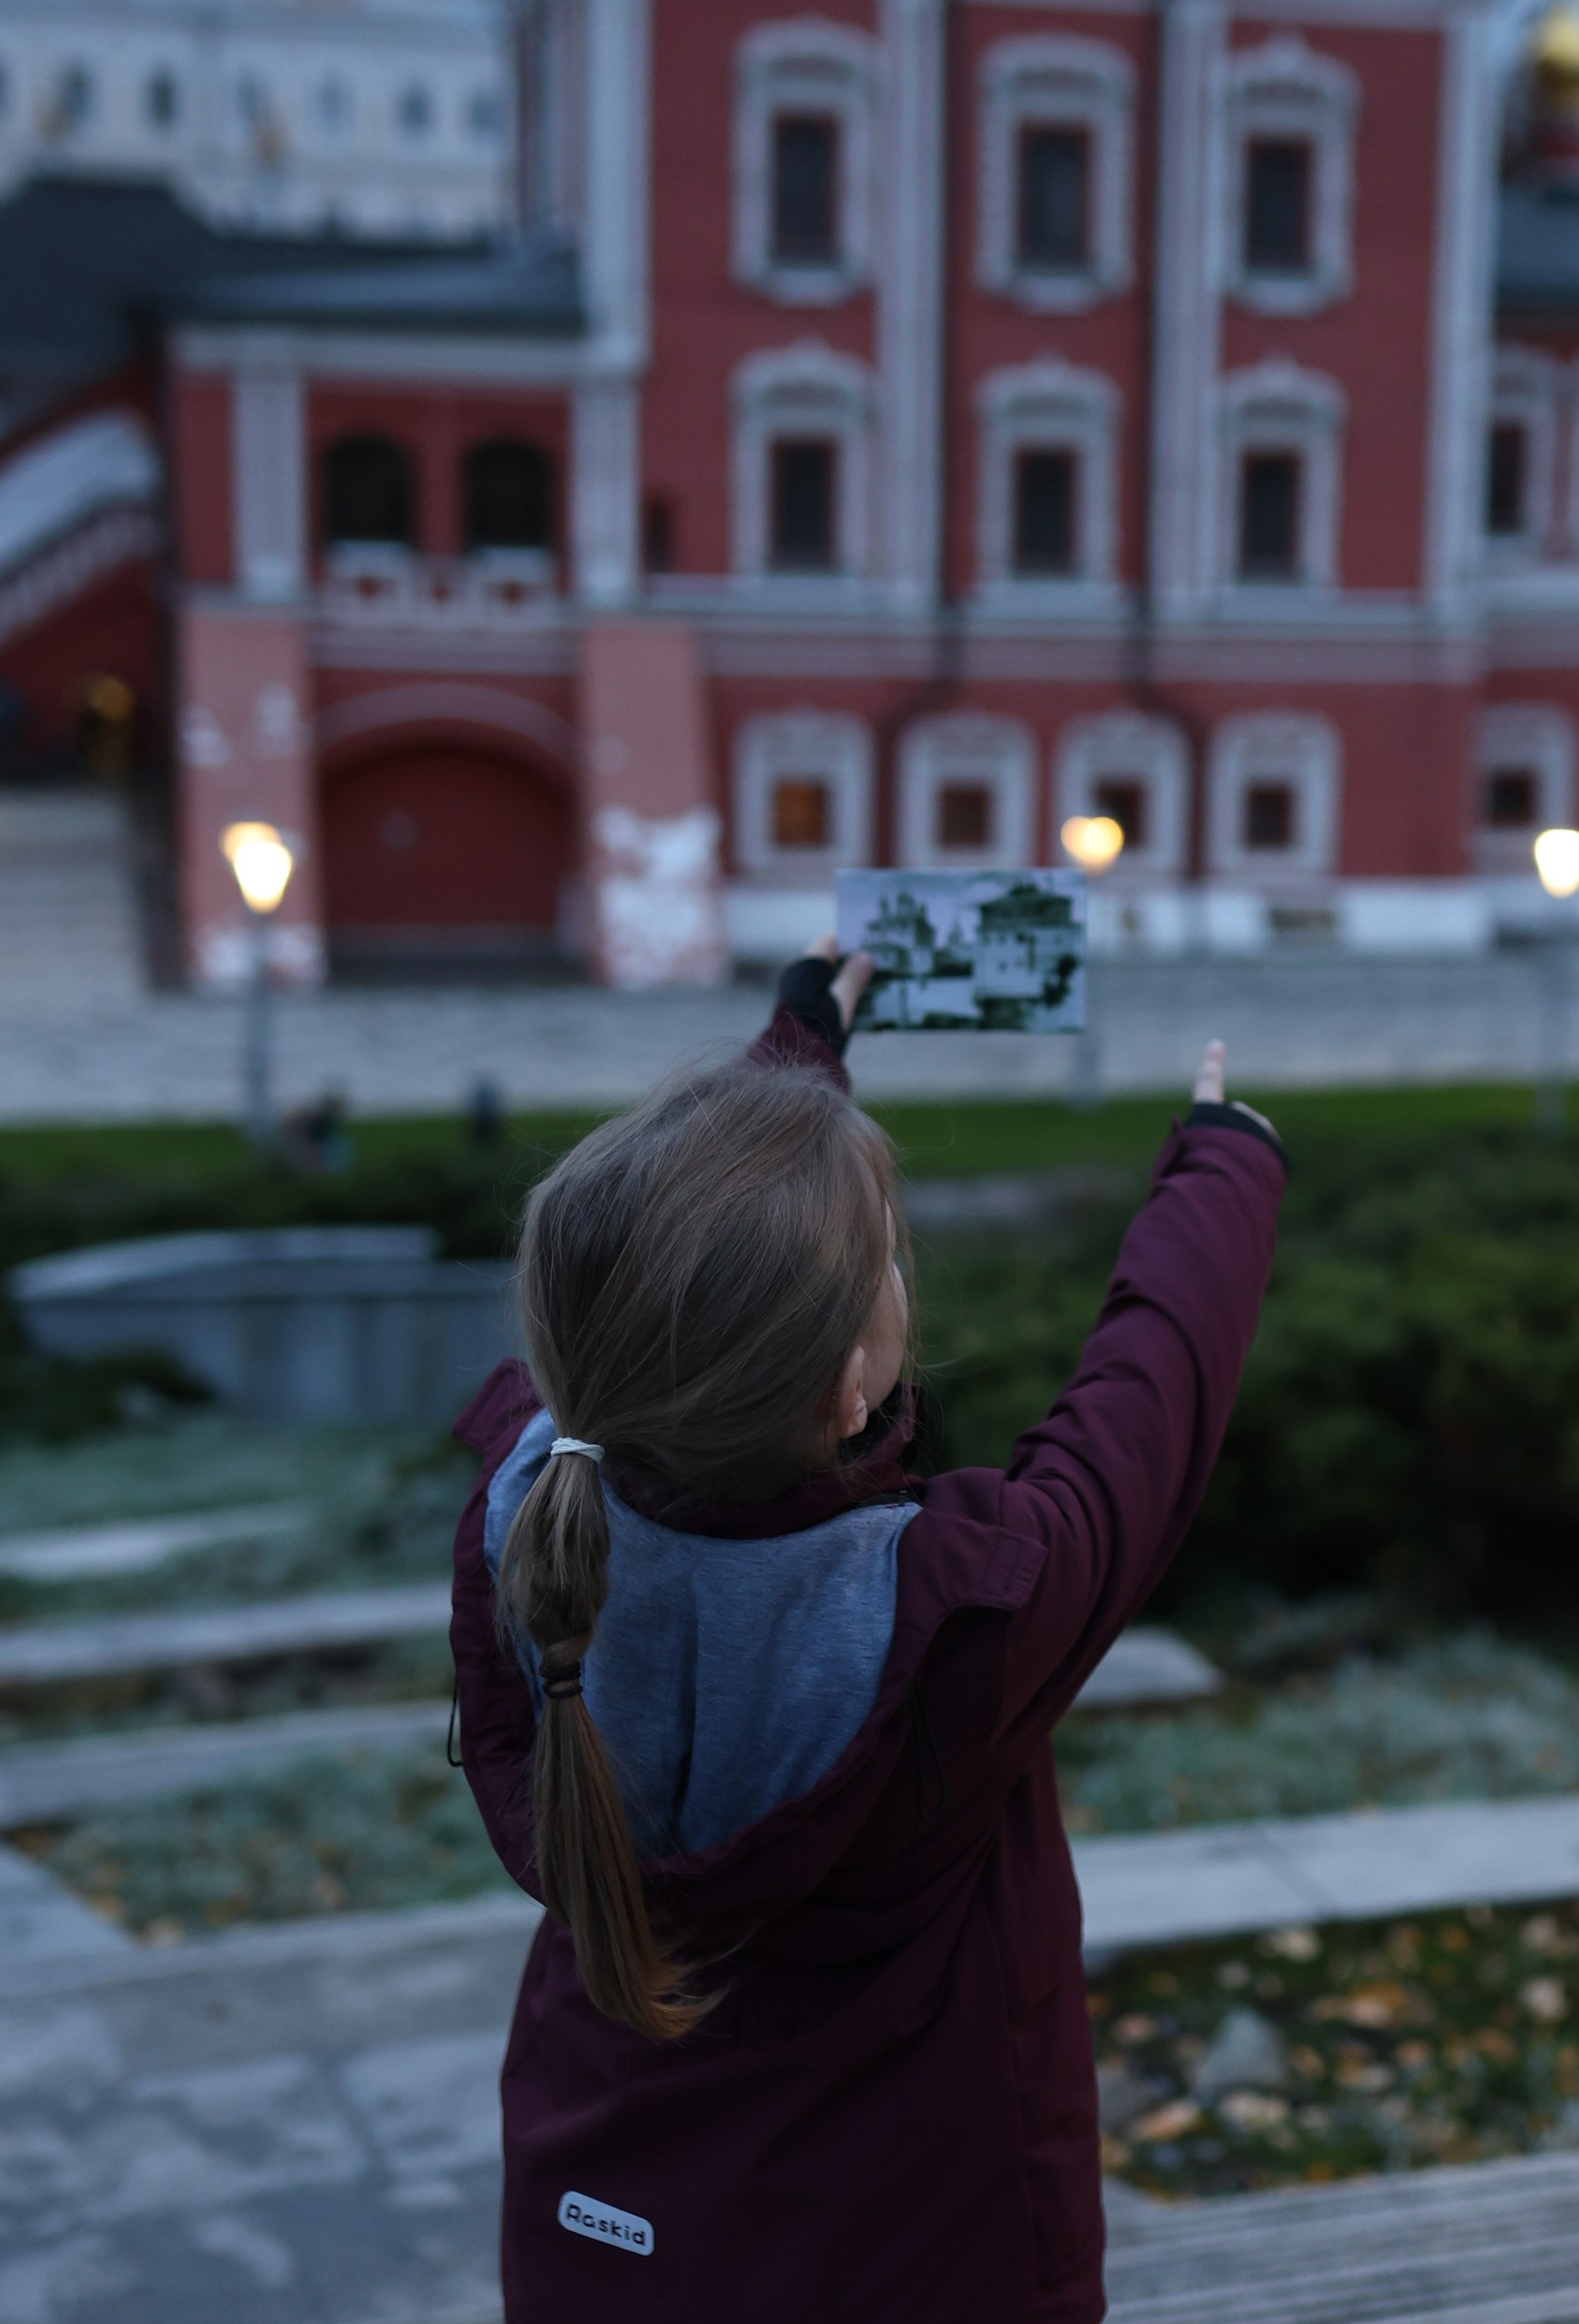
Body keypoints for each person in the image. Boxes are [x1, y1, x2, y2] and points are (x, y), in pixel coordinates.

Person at [446, 938, 1284, 2321]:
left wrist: (799, 1048)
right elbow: (1145, 1406)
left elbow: (659, 1275)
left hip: (608, 2230)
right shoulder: (954, 1615)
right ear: (849, 1390)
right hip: (911, 2256)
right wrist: (1224, 1161)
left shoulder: (525, 1518)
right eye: (883, 1257)